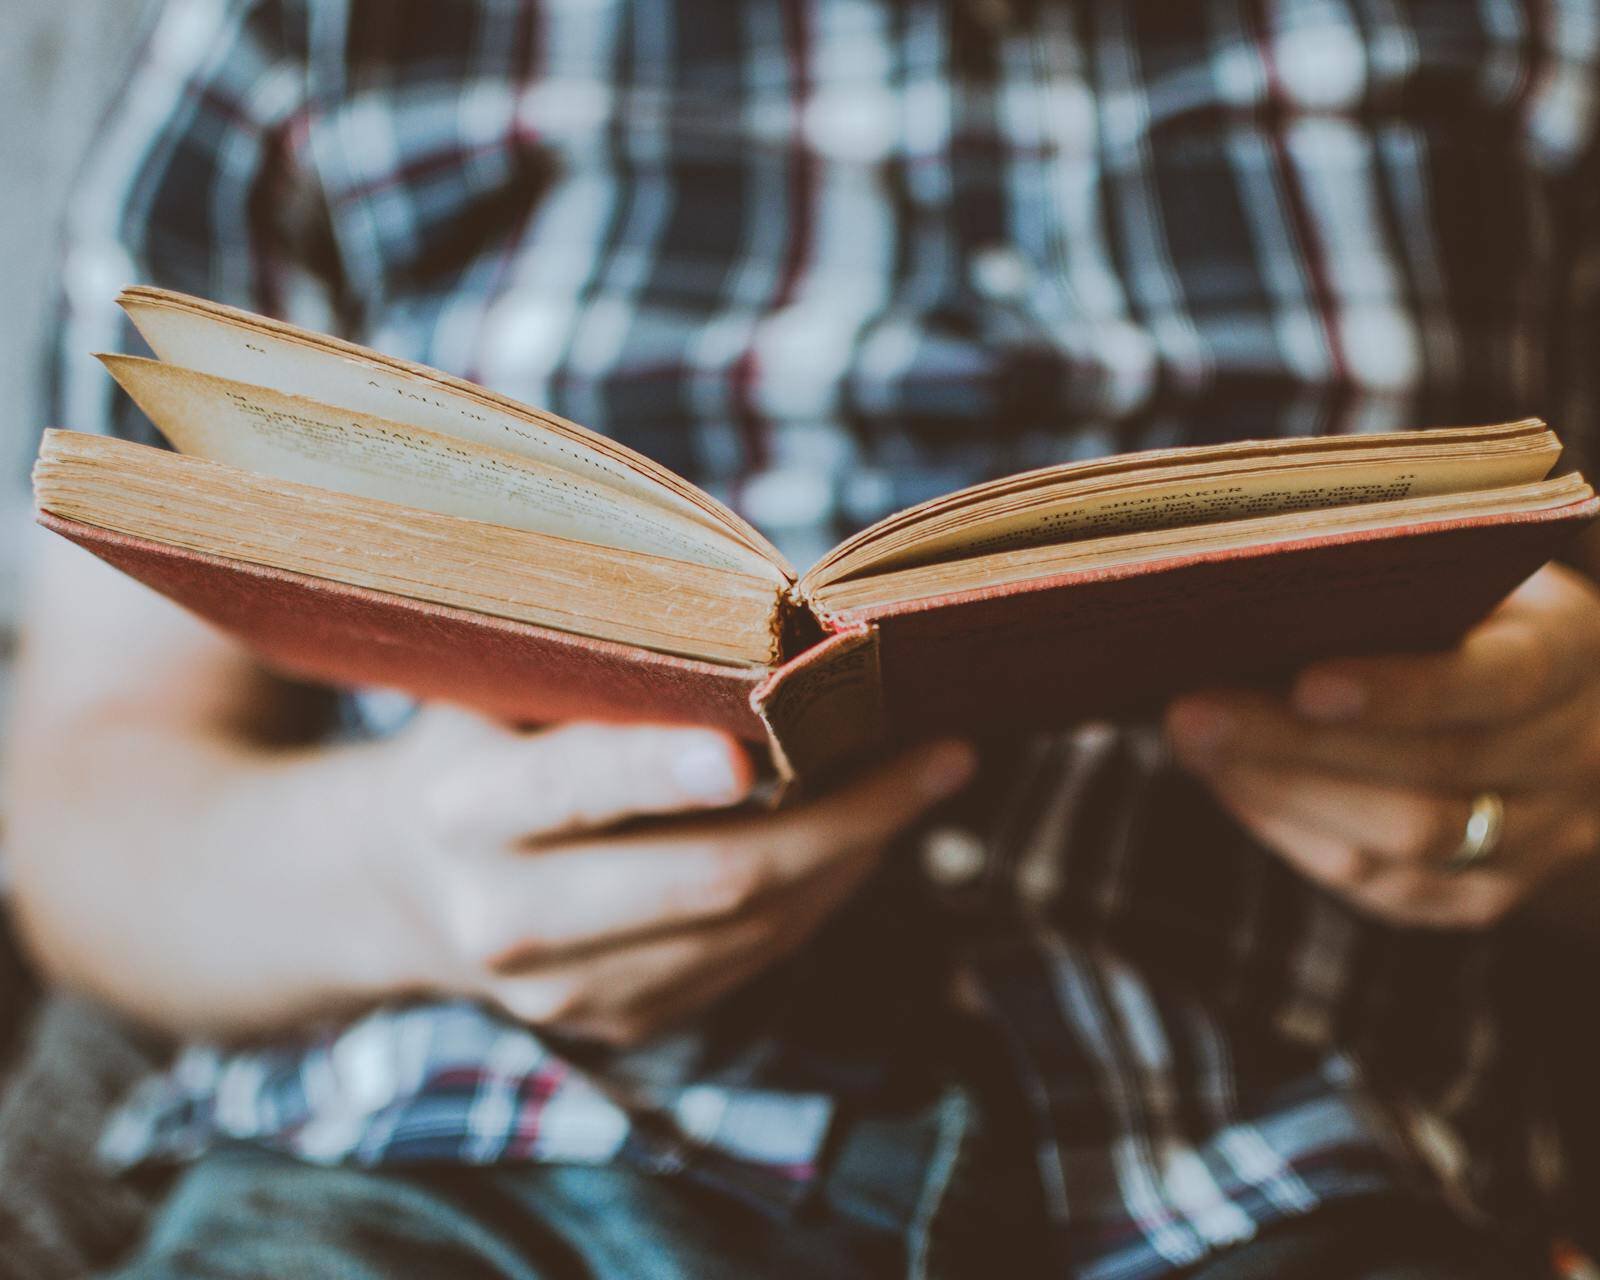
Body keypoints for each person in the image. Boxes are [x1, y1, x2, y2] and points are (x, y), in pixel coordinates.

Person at [5, 0, 1600, 1275]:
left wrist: (1557, 754)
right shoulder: (309, 31)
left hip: (1297, 1166)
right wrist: (404, 876)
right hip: (473, 1157)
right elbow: (78, 794)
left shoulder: (1532, 44)